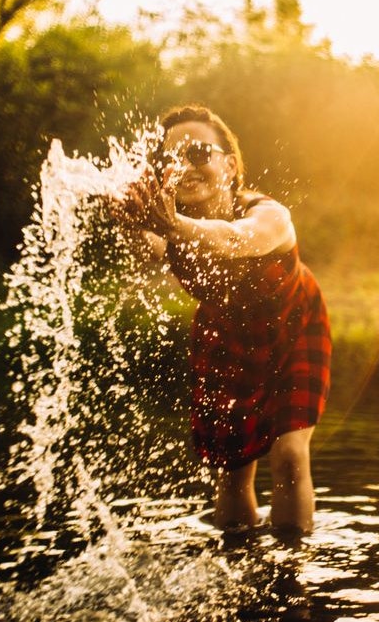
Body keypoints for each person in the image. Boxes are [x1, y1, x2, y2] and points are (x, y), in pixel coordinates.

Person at [120, 105, 330, 535]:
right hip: (223, 335)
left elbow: (235, 239)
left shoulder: (270, 215)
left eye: (197, 152)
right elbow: (150, 246)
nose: (183, 165)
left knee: (289, 455)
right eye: (169, 158)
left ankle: (292, 573)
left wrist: (175, 226)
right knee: (233, 468)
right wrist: (126, 220)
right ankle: (238, 565)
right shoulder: (166, 225)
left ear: (230, 164)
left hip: (296, 326)